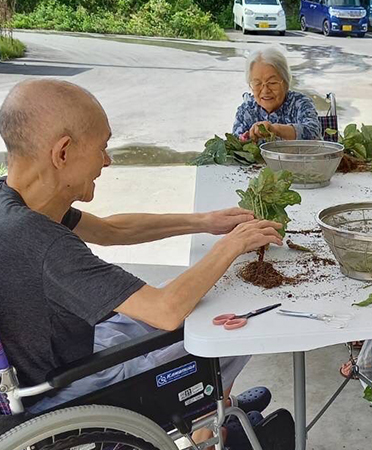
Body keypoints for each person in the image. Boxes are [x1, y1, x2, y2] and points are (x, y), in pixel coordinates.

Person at [0, 79, 285, 446]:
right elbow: (165, 311)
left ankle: (216, 404)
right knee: (235, 325)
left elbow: (109, 230)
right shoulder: (39, 240)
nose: (107, 160)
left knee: (199, 300)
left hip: (58, 352)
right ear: (64, 152)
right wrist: (233, 245)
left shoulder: (17, 202)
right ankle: (208, 428)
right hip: (67, 387)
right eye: (102, 148)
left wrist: (205, 222)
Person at [233, 46, 322, 142]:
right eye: (257, 83)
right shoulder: (246, 111)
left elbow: (314, 132)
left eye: (272, 82)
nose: (265, 91)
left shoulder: (300, 103)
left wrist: (274, 129)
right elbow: (235, 144)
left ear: (285, 82)